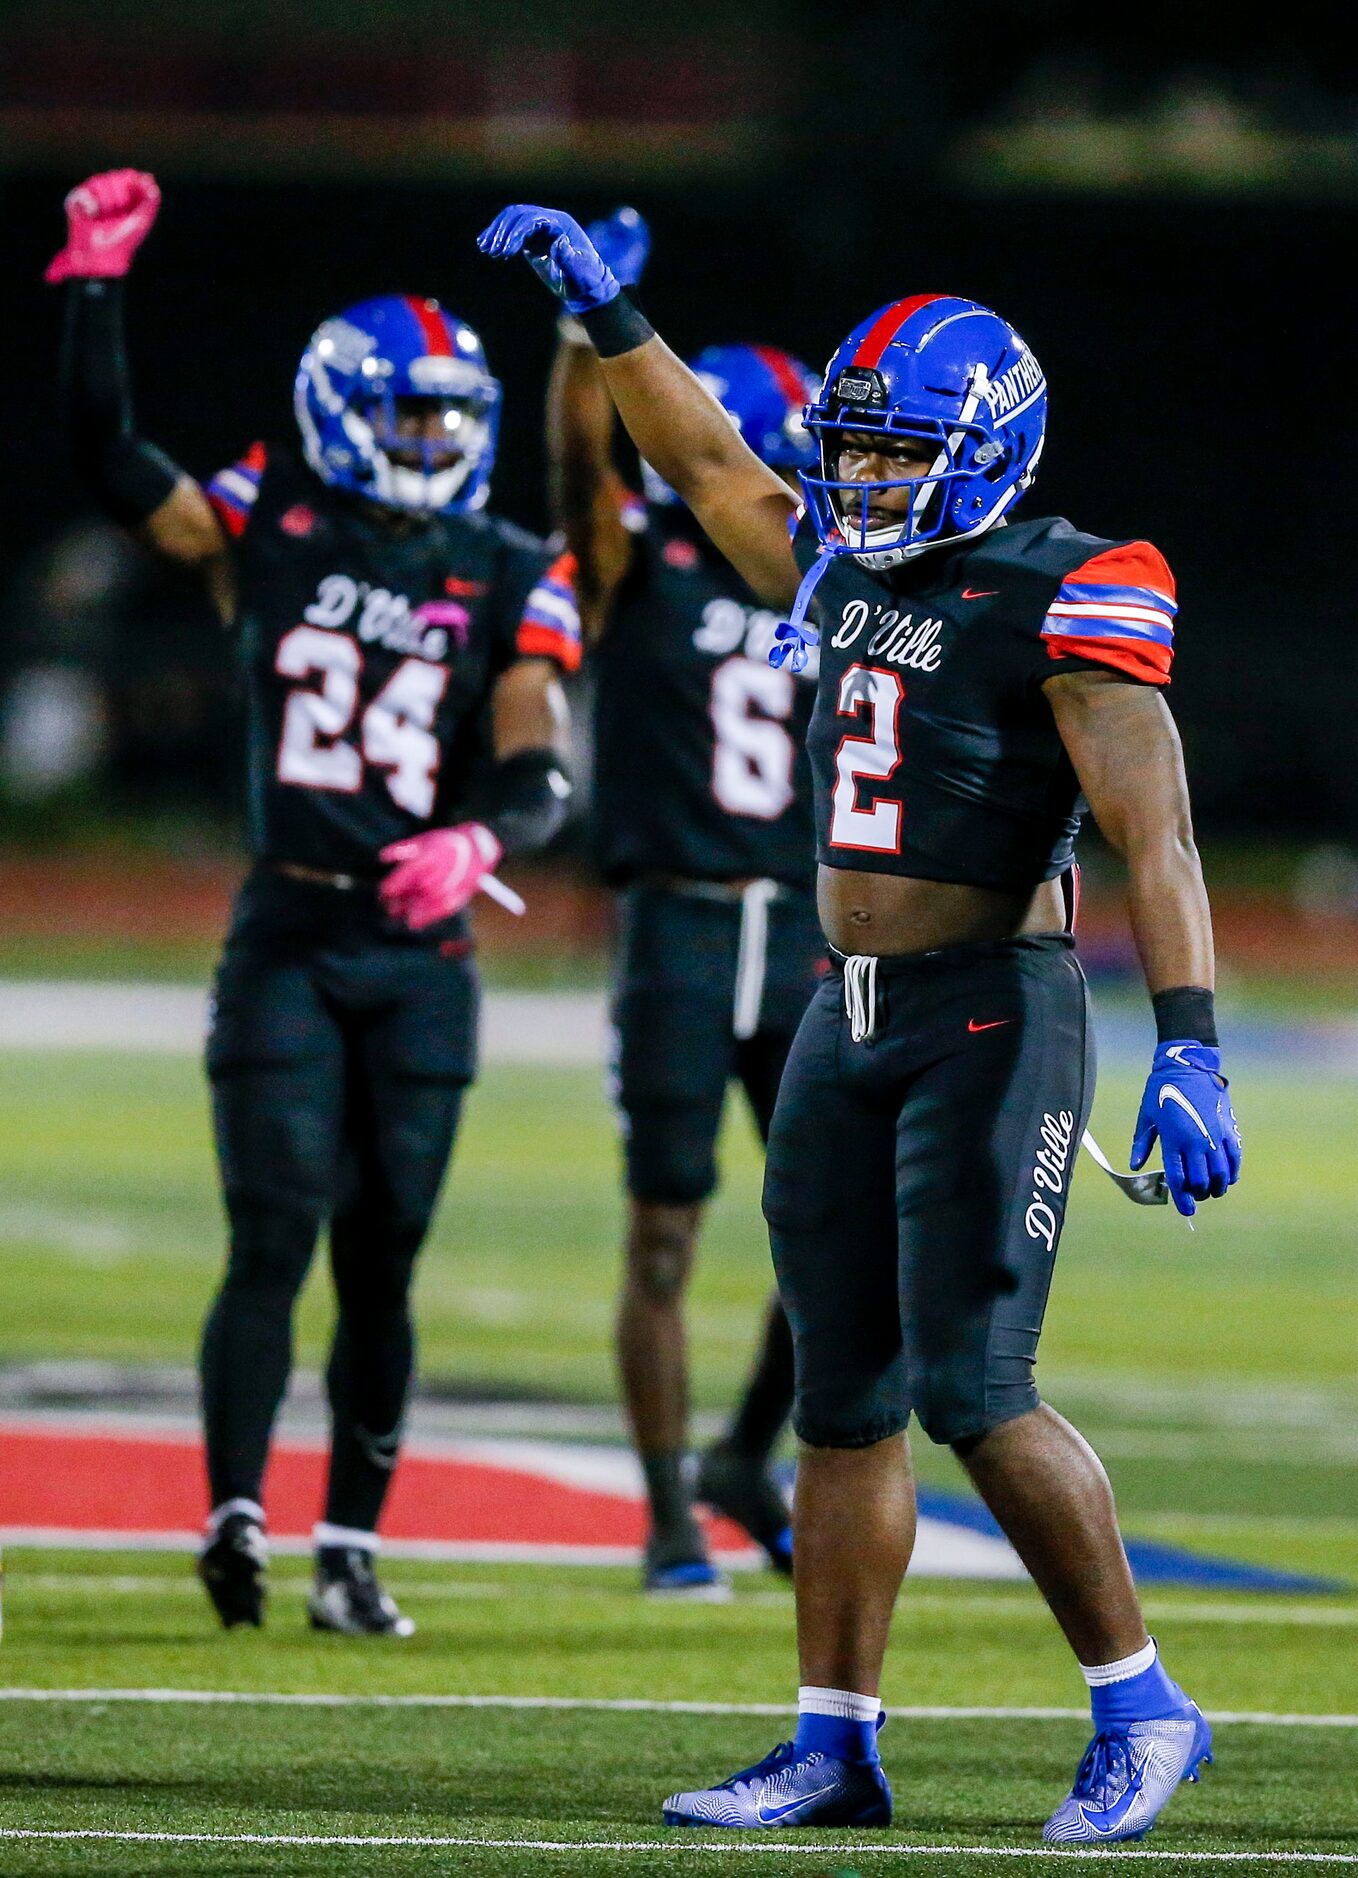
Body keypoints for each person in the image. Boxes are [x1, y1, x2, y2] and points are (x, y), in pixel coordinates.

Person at [479, 206, 1241, 1843]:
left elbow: (1152, 836)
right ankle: (833, 1741)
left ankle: (1141, 1701)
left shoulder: (1074, 590)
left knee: (977, 1382)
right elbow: (700, 463)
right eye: (851, 452)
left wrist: (1187, 1038)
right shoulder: (836, 565)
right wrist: (613, 314)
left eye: (893, 456)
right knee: (841, 1397)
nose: (858, 483)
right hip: (847, 1014)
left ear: (983, 451)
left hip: (992, 1012)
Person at [49, 171, 580, 1636]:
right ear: (345, 408)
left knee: (384, 1249)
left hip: (419, 948)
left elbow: (542, 764)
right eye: (409, 415)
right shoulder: (265, 515)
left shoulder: (509, 565)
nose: (435, 442)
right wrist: (93, 285)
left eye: (450, 420)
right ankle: (234, 1515)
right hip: (286, 928)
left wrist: (479, 840)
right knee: (272, 1227)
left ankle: (350, 1543)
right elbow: (105, 455)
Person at [545, 208, 823, 1595]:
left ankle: (741, 1453)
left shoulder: (828, 578)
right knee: (663, 1225)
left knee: (837, 1224)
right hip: (675, 916)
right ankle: (665, 1512)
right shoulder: (635, 558)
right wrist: (576, 331)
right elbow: (576, 470)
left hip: (806, 923)